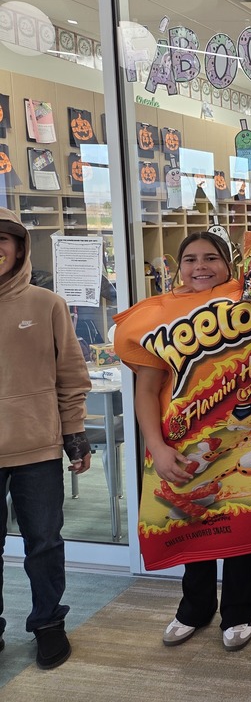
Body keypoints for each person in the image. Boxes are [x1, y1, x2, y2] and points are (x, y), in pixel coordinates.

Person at [114, 219, 251, 651]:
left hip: (243, 433)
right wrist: (155, 445)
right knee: (191, 523)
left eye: (211, 258)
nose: (200, 266)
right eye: (190, 259)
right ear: (178, 266)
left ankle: (240, 611)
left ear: (230, 264)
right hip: (182, 439)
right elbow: (147, 388)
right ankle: (194, 607)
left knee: (239, 526)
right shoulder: (156, 314)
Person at [0, 208, 91, 669]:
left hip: (36, 445)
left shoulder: (46, 303)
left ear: (19, 247)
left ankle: (48, 624)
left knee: (44, 542)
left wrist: (75, 434)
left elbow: (70, 374)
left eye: (3, 239)